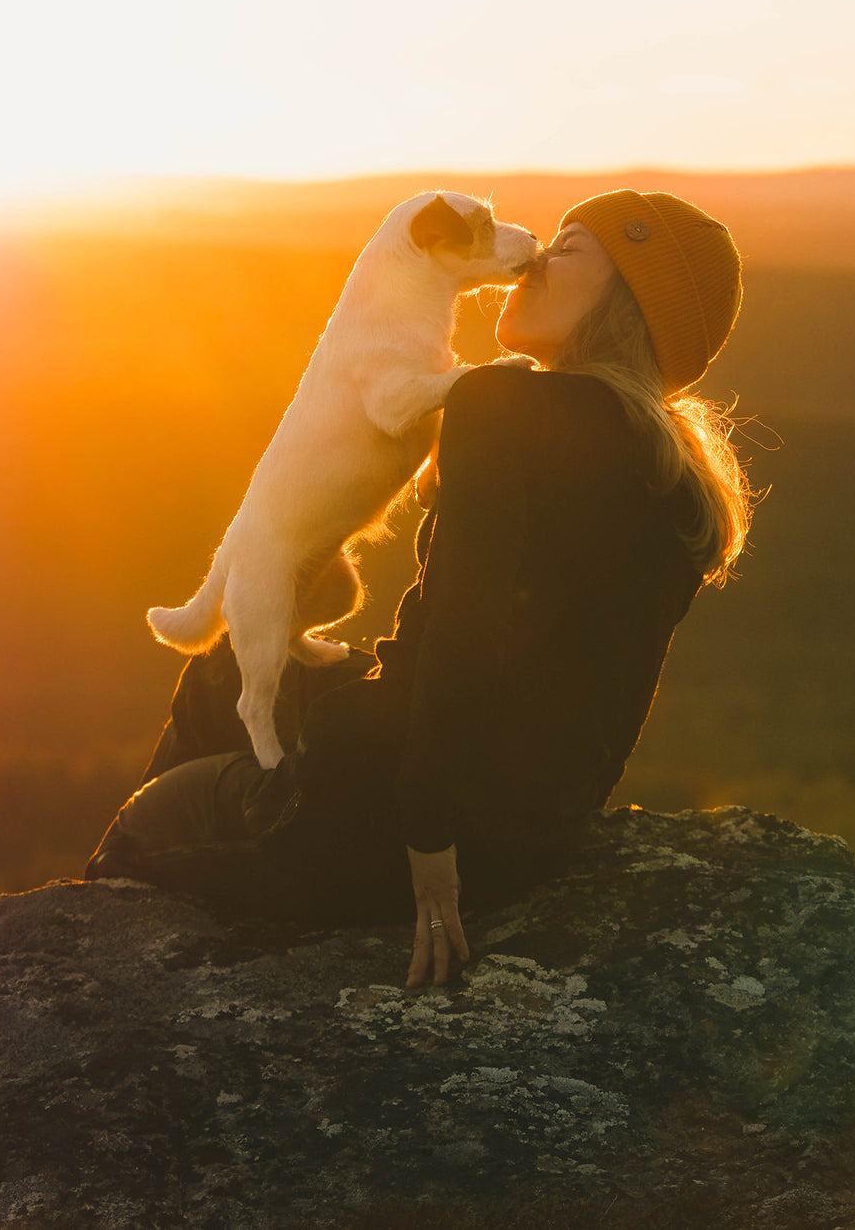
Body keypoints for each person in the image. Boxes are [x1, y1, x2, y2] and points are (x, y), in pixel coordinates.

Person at [85, 189, 751, 988]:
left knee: (134, 843)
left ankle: (88, 977)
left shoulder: (500, 404)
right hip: (528, 828)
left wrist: (428, 845)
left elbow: (458, 643)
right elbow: (581, 689)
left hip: (401, 811)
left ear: (629, 302)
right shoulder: (681, 469)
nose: (536, 257)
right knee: (226, 674)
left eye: (569, 250)